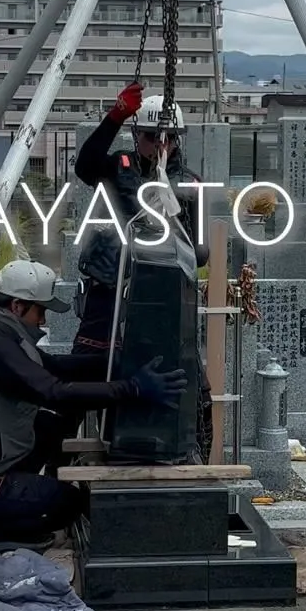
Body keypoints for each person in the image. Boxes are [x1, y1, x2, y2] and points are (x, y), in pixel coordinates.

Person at [0, 256, 186, 548]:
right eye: (40, 312)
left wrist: (116, 364)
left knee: (52, 424)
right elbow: (54, 391)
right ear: (18, 306)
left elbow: (53, 366)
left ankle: (16, 499)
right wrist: (133, 389)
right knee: (66, 503)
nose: (43, 322)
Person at [73, 83, 213, 459]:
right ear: (138, 136)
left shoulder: (189, 184)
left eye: (169, 138)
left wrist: (173, 239)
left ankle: (187, 448)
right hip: (108, 287)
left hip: (160, 297)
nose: (160, 145)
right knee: (85, 369)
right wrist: (115, 115)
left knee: (187, 378)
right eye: (152, 136)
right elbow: (84, 165)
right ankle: (59, 454)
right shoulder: (118, 166)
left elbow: (200, 251)